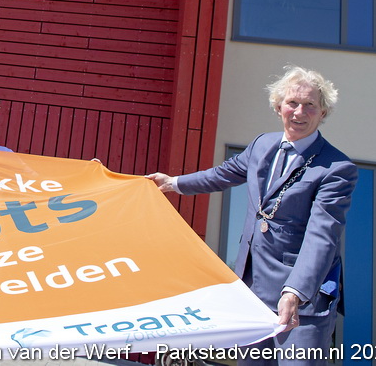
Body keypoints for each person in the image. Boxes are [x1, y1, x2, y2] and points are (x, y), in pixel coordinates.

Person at [146, 66, 357, 366]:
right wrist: (173, 183)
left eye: (310, 105)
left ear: (323, 112)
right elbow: (222, 174)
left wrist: (294, 293)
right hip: (252, 292)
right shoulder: (262, 145)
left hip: (302, 303)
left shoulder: (337, 168)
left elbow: (322, 236)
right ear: (278, 106)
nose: (300, 112)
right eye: (292, 103)